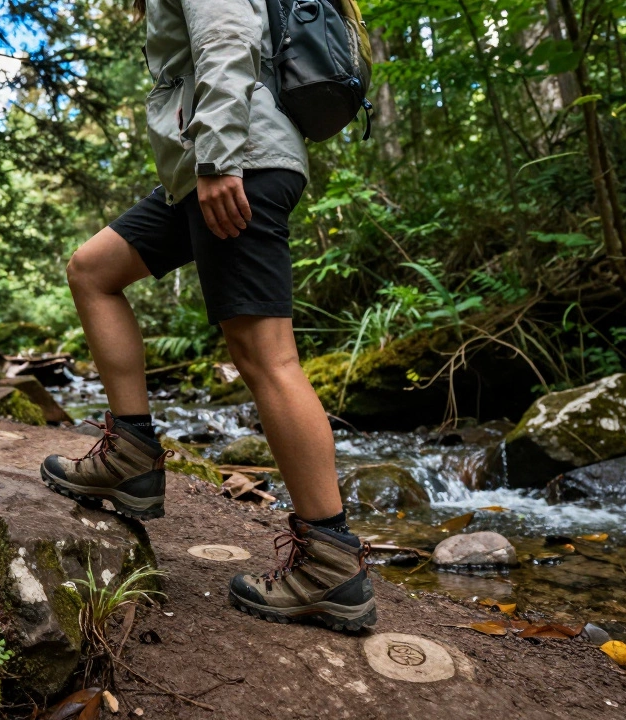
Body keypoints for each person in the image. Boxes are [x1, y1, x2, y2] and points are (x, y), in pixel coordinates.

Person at [39, 0, 376, 633]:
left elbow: (227, 42)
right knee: (93, 270)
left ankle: (332, 563)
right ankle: (131, 455)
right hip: (203, 169)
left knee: (268, 361)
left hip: (235, 161)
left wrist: (220, 160)